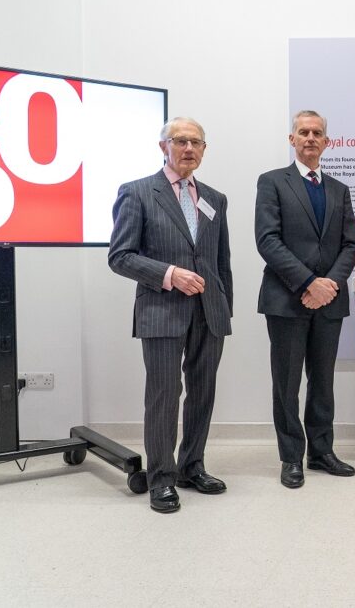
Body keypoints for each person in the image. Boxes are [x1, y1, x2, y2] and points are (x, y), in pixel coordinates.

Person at [108, 117, 233, 513]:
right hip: (162, 309)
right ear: (164, 146)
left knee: (202, 392)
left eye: (197, 142)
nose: (189, 148)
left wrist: (224, 304)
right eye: (180, 141)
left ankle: (191, 466)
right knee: (164, 395)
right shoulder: (139, 192)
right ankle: (161, 478)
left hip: (208, 311)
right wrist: (169, 275)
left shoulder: (215, 198)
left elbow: (220, 261)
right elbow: (120, 256)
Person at [255, 110, 355, 489]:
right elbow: (268, 240)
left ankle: (321, 451)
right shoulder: (271, 183)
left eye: (317, 133)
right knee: (286, 383)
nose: (311, 138)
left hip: (329, 301)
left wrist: (328, 284)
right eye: (304, 132)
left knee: (323, 380)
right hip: (286, 299)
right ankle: (290, 457)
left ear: (327, 142)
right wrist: (308, 284)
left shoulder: (338, 189)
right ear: (292, 139)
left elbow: (351, 244)